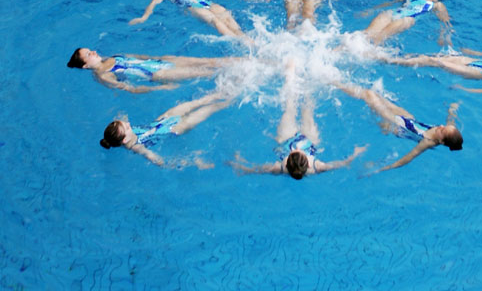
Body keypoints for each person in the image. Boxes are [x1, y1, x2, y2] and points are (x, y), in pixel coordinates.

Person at [231, 62, 366, 179]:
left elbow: (258, 169)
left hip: (286, 140)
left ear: (287, 160)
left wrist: (240, 164)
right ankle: (309, 78)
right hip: (309, 141)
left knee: (289, 108)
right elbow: (338, 164)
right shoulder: (315, 167)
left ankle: (290, 74)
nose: (296, 149)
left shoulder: (280, 168)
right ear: (307, 162)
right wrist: (355, 154)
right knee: (308, 111)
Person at [338, 82, 462, 172]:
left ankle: (335, 83)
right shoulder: (448, 131)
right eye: (444, 126)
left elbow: (408, 157)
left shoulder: (427, 142)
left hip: (397, 125)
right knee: (375, 94)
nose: (440, 126)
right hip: (408, 118)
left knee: (369, 95)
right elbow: (451, 120)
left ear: (440, 141)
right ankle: (339, 84)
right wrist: (453, 108)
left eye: (442, 130)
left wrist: (382, 169)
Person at [99, 91, 232, 167]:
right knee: (210, 109)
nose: (128, 123)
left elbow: (121, 118)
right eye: (127, 127)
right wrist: (191, 162)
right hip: (174, 129)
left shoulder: (122, 132)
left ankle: (230, 90)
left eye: (125, 123)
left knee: (201, 101)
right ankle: (233, 100)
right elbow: (159, 161)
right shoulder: (136, 147)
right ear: (125, 139)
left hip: (163, 119)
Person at [67, 47, 239, 92]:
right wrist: (160, 87)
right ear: (85, 65)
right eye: (89, 54)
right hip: (159, 74)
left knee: (210, 61)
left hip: (160, 62)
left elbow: (139, 56)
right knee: (207, 72)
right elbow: (131, 89)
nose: (94, 52)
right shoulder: (104, 76)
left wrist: (162, 59)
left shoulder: (112, 57)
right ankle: (243, 73)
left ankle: (250, 61)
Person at [361, 0, 452, 45]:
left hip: (408, 19)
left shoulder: (437, 5)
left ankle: (374, 46)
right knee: (369, 32)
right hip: (394, 13)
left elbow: (445, 21)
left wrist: (444, 36)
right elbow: (391, 3)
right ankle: (356, 42)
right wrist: (371, 10)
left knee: (404, 21)